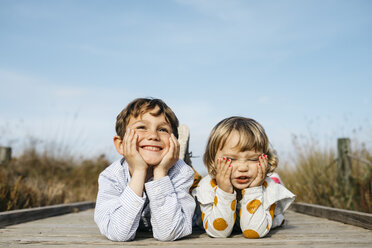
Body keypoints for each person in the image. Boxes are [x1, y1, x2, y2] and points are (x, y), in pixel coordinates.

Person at [94, 97, 196, 241]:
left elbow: (169, 233)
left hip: (187, 213)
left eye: (163, 129)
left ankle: (182, 154)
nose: (153, 136)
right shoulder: (111, 176)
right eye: (142, 127)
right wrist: (139, 171)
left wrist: (161, 172)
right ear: (121, 144)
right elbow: (118, 233)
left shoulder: (182, 173)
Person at [193, 116, 295, 238]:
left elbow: (253, 231)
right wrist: (224, 191)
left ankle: (275, 183)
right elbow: (218, 233)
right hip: (219, 218)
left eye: (253, 159)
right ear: (213, 161)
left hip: (261, 216)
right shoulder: (207, 186)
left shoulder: (266, 188)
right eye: (230, 159)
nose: (242, 168)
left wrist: (254, 189)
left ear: (264, 160)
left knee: (275, 215)